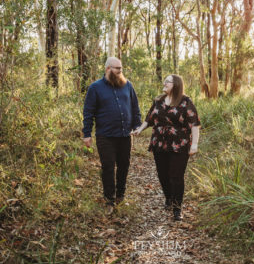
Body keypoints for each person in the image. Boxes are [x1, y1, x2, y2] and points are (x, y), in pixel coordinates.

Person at [133, 74, 200, 221]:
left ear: (175, 84)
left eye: (167, 81)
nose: (164, 83)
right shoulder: (159, 100)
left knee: (176, 176)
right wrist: (140, 129)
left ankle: (177, 208)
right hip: (159, 144)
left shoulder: (185, 102)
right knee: (163, 175)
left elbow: (194, 124)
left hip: (179, 145)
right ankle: (169, 197)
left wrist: (194, 144)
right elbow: (149, 118)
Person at [83, 57, 141, 214]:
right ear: (108, 69)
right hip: (105, 136)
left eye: (121, 68)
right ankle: (110, 199)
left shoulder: (127, 85)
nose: (120, 71)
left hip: (124, 135)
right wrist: (86, 134)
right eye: (117, 69)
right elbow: (88, 112)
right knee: (108, 167)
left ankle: (120, 196)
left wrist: (137, 125)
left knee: (124, 165)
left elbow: (135, 107)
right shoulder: (95, 88)